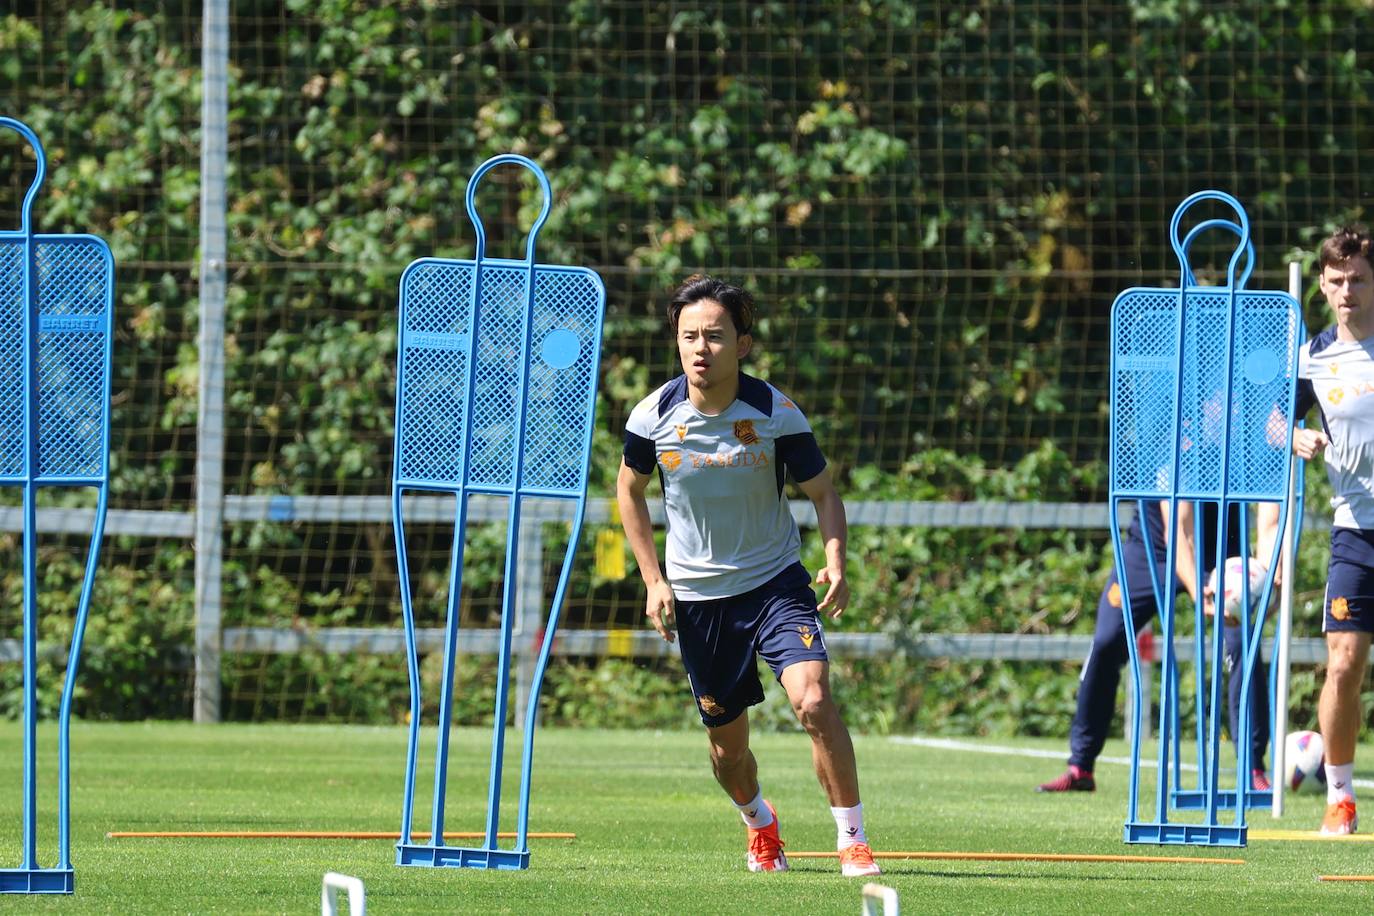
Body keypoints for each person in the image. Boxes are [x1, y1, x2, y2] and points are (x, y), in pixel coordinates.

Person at [616, 275, 880, 877]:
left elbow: (823, 492)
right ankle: (760, 824)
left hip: (775, 583)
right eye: (689, 337)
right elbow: (627, 492)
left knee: (813, 701)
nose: (700, 349)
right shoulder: (653, 415)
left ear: (743, 344)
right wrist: (654, 580)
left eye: (714, 335)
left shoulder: (775, 412)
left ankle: (853, 839)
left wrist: (834, 559)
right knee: (727, 752)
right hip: (700, 601)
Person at [1037, 498, 1272, 793]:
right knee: (1107, 641)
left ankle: (1252, 769)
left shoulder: (1240, 448)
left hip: (1224, 550)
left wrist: (1267, 577)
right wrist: (1196, 589)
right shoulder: (1168, 450)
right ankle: (1081, 766)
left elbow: (1270, 511)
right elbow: (1179, 530)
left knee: (1242, 645)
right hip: (1151, 549)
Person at [1270, 225, 1374, 835]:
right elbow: (1272, 423)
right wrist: (1296, 436)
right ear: (1321, 286)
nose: (1347, 291)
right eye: (1336, 281)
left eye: (1358, 279)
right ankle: (1341, 797)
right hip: (1354, 530)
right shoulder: (1312, 356)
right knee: (1342, 665)